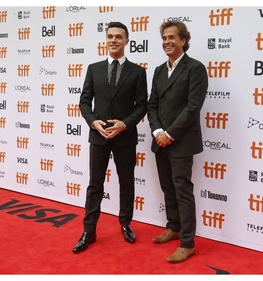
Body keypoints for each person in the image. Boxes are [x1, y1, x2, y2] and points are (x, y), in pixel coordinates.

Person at [73, 21, 148, 253]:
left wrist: (124, 124)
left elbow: (142, 105)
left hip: (125, 137)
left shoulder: (138, 72)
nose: (114, 40)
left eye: (119, 36)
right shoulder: (93, 68)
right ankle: (89, 230)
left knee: (126, 183)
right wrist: (92, 121)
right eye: (110, 36)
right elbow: (84, 101)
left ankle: (125, 224)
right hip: (99, 136)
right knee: (95, 185)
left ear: (127, 41)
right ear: (105, 40)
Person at [147, 20, 208, 263]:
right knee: (167, 187)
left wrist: (169, 134)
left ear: (183, 40)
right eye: (164, 38)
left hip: (181, 141)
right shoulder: (159, 70)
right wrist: (157, 132)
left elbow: (193, 108)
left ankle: (188, 242)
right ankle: (173, 226)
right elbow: (152, 105)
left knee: (182, 189)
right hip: (160, 139)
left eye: (172, 37)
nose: (167, 42)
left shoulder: (195, 68)